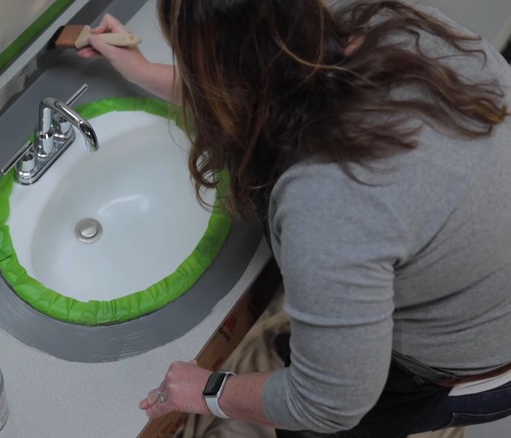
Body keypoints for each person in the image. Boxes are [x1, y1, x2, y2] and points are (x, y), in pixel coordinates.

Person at [78, 1, 511, 436]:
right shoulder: (395, 26)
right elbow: (263, 82)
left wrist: (208, 390)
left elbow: (328, 405)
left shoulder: (328, 199)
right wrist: (144, 71)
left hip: (469, 365)